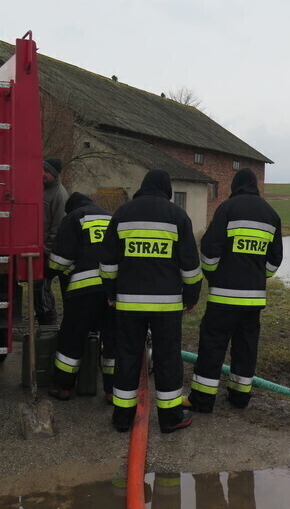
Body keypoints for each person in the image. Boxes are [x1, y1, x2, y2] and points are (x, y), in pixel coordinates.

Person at [100, 169, 202, 434]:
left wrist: (111, 293)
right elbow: (190, 266)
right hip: (166, 306)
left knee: (127, 357)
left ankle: (122, 418)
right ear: (167, 190)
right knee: (168, 358)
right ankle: (170, 418)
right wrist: (191, 297)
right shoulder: (178, 216)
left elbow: (108, 263)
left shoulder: (122, 214)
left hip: (128, 304)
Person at [185, 168, 283, 413]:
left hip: (223, 297)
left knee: (212, 346)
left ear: (235, 186)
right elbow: (275, 260)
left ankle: (203, 400)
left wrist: (213, 276)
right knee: (246, 347)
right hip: (253, 300)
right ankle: (240, 397)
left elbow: (209, 249)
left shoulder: (227, 209)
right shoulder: (271, 215)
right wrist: (259, 276)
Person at [47, 192, 115, 401]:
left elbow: (59, 260)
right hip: (112, 290)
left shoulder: (74, 217)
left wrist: (52, 272)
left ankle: (64, 387)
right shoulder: (110, 217)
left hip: (83, 291)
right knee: (113, 340)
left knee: (72, 337)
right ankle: (112, 391)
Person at [36, 157, 69, 325]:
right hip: (36, 248)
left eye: (47, 171)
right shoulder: (40, 188)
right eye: (42, 169)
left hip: (47, 252)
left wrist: (47, 251)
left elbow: (58, 229)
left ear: (55, 175)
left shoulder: (60, 195)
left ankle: (48, 322)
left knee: (42, 287)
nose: (43, 174)